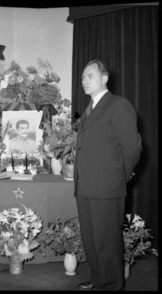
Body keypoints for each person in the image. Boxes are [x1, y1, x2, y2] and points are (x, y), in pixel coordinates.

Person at [74, 60, 142, 291]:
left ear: (104, 78)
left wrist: (120, 175)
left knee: (107, 241)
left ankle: (112, 285)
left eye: (89, 76)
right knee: (91, 240)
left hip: (107, 187)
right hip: (85, 187)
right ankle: (98, 280)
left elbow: (132, 147)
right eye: (83, 77)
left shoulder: (118, 105)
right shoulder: (89, 109)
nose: (84, 81)